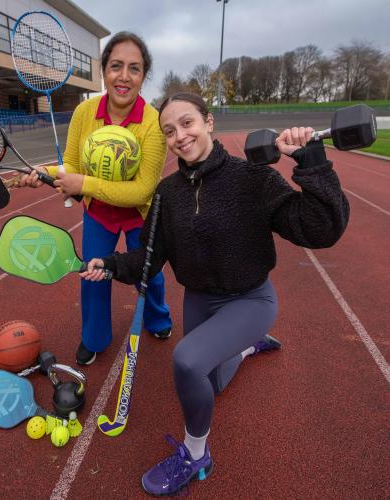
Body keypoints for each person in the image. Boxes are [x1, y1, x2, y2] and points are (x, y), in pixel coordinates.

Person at [80, 92, 350, 496]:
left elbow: (321, 229)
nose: (179, 136)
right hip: (201, 298)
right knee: (212, 384)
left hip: (250, 299)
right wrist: (112, 265)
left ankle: (195, 454)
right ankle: (244, 348)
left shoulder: (252, 177)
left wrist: (312, 162)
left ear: (208, 122)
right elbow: (149, 259)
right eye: (169, 131)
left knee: (187, 361)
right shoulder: (168, 194)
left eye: (187, 123)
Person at [19, 32, 172, 365]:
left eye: (134, 68)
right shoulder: (84, 112)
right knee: (93, 272)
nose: (124, 76)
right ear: (103, 70)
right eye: (116, 66)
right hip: (99, 212)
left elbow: (143, 189)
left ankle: (158, 319)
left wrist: (82, 183)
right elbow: (70, 165)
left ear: (143, 76)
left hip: (138, 213)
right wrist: (40, 171)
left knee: (149, 274)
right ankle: (94, 337)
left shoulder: (152, 123)